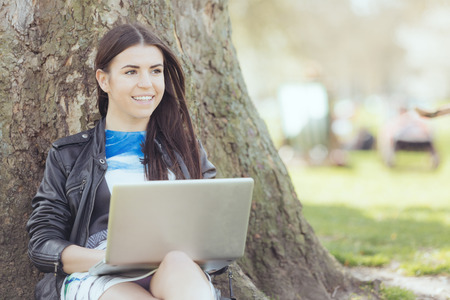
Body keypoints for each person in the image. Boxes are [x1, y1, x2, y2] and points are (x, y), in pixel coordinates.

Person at [26, 23, 219, 300]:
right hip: (99, 275)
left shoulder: (186, 150)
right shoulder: (67, 155)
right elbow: (43, 244)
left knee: (178, 263)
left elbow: (216, 234)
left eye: (155, 71)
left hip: (175, 269)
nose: (146, 83)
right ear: (104, 80)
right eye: (131, 72)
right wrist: (108, 258)